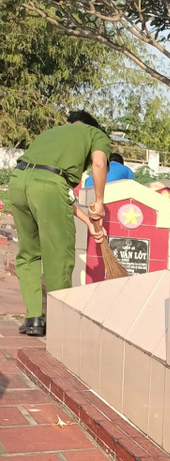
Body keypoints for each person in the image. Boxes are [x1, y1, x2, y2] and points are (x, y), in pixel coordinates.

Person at [8, 110, 110, 336]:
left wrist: (87, 222)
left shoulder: (53, 132)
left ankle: (34, 318)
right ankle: (58, 320)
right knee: (58, 255)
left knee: (28, 254)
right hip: (50, 187)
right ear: (92, 126)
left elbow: (54, 188)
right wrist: (100, 202)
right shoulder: (96, 134)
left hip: (18, 181)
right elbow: (99, 164)